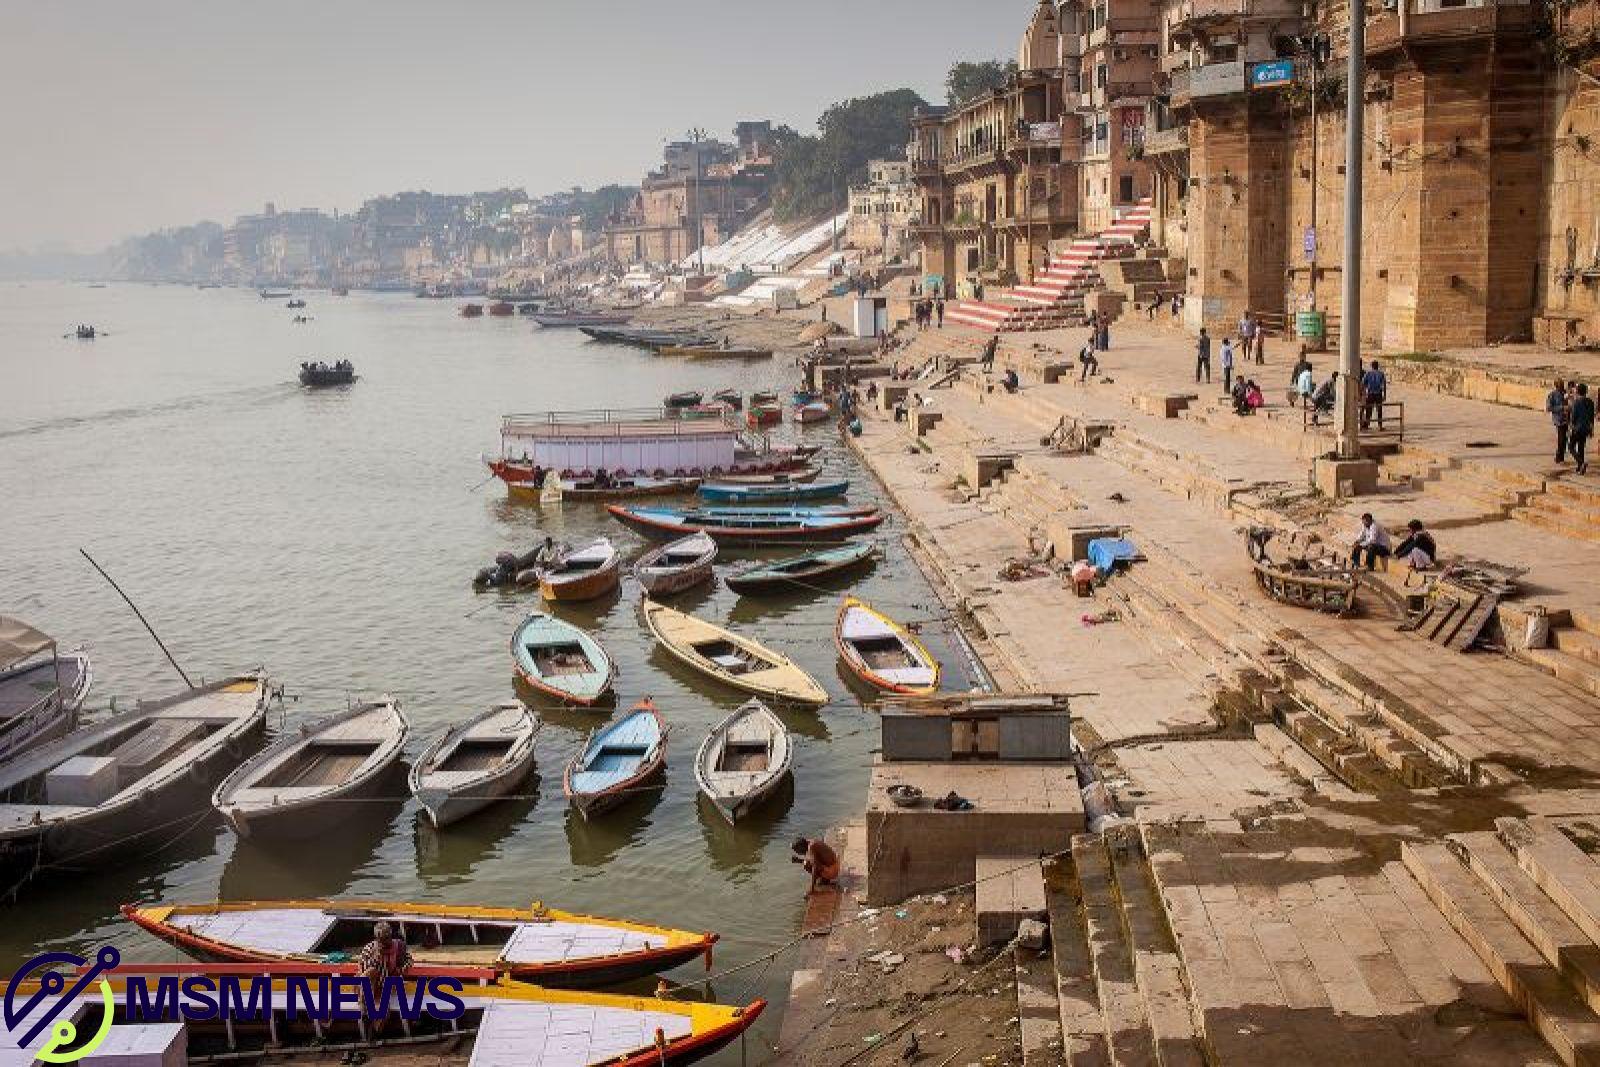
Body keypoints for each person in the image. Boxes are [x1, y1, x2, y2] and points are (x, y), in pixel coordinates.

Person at [358, 921, 413, 1032]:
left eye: (386, 938)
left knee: (382, 1013)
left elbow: (409, 960)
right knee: (370, 972)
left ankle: (374, 1029)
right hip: (371, 987)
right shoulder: (369, 949)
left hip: (389, 985)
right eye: (381, 939)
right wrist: (376, 958)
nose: (384, 942)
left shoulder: (399, 946)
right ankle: (366, 1010)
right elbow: (363, 970)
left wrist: (401, 969)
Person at [1571, 382, 1595, 475]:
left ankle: (1581, 463)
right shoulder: (1590, 402)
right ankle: (1579, 468)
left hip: (1578, 428)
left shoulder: (1576, 402)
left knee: (1571, 447)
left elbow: (1573, 417)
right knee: (1581, 447)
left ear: (1577, 391)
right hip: (1586, 428)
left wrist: (1571, 428)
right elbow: (1591, 418)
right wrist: (1591, 430)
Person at [1360, 360, 1387, 431]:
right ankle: (1380, 426)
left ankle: (1366, 425)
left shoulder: (1368, 373)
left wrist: (1363, 393)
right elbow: (1384, 385)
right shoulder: (1381, 374)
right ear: (1377, 366)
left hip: (1370, 394)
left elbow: (1363, 384)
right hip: (1378, 394)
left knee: (1369, 410)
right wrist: (1384, 395)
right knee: (1379, 410)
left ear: (1372, 366)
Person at [1549, 379, 1571, 464]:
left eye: (1562, 385)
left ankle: (1561, 456)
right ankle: (1559, 456)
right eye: (1560, 386)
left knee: (1564, 439)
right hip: (1559, 419)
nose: (1562, 387)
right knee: (1561, 438)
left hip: (1567, 418)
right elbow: (1549, 407)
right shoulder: (1552, 395)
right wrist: (1561, 408)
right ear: (1556, 386)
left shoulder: (1565, 393)